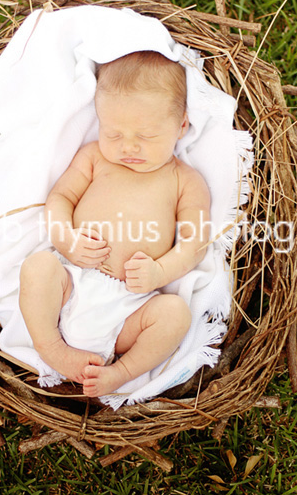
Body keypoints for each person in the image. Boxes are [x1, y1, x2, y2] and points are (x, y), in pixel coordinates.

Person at [18, 50, 210, 397]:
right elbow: (60, 200)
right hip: (71, 283)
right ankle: (51, 348)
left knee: (175, 314)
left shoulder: (185, 180)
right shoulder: (93, 157)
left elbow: (195, 243)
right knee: (37, 266)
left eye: (147, 136)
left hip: (131, 309)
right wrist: (67, 242)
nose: (129, 146)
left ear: (181, 125)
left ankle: (121, 371)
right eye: (113, 133)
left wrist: (160, 273)